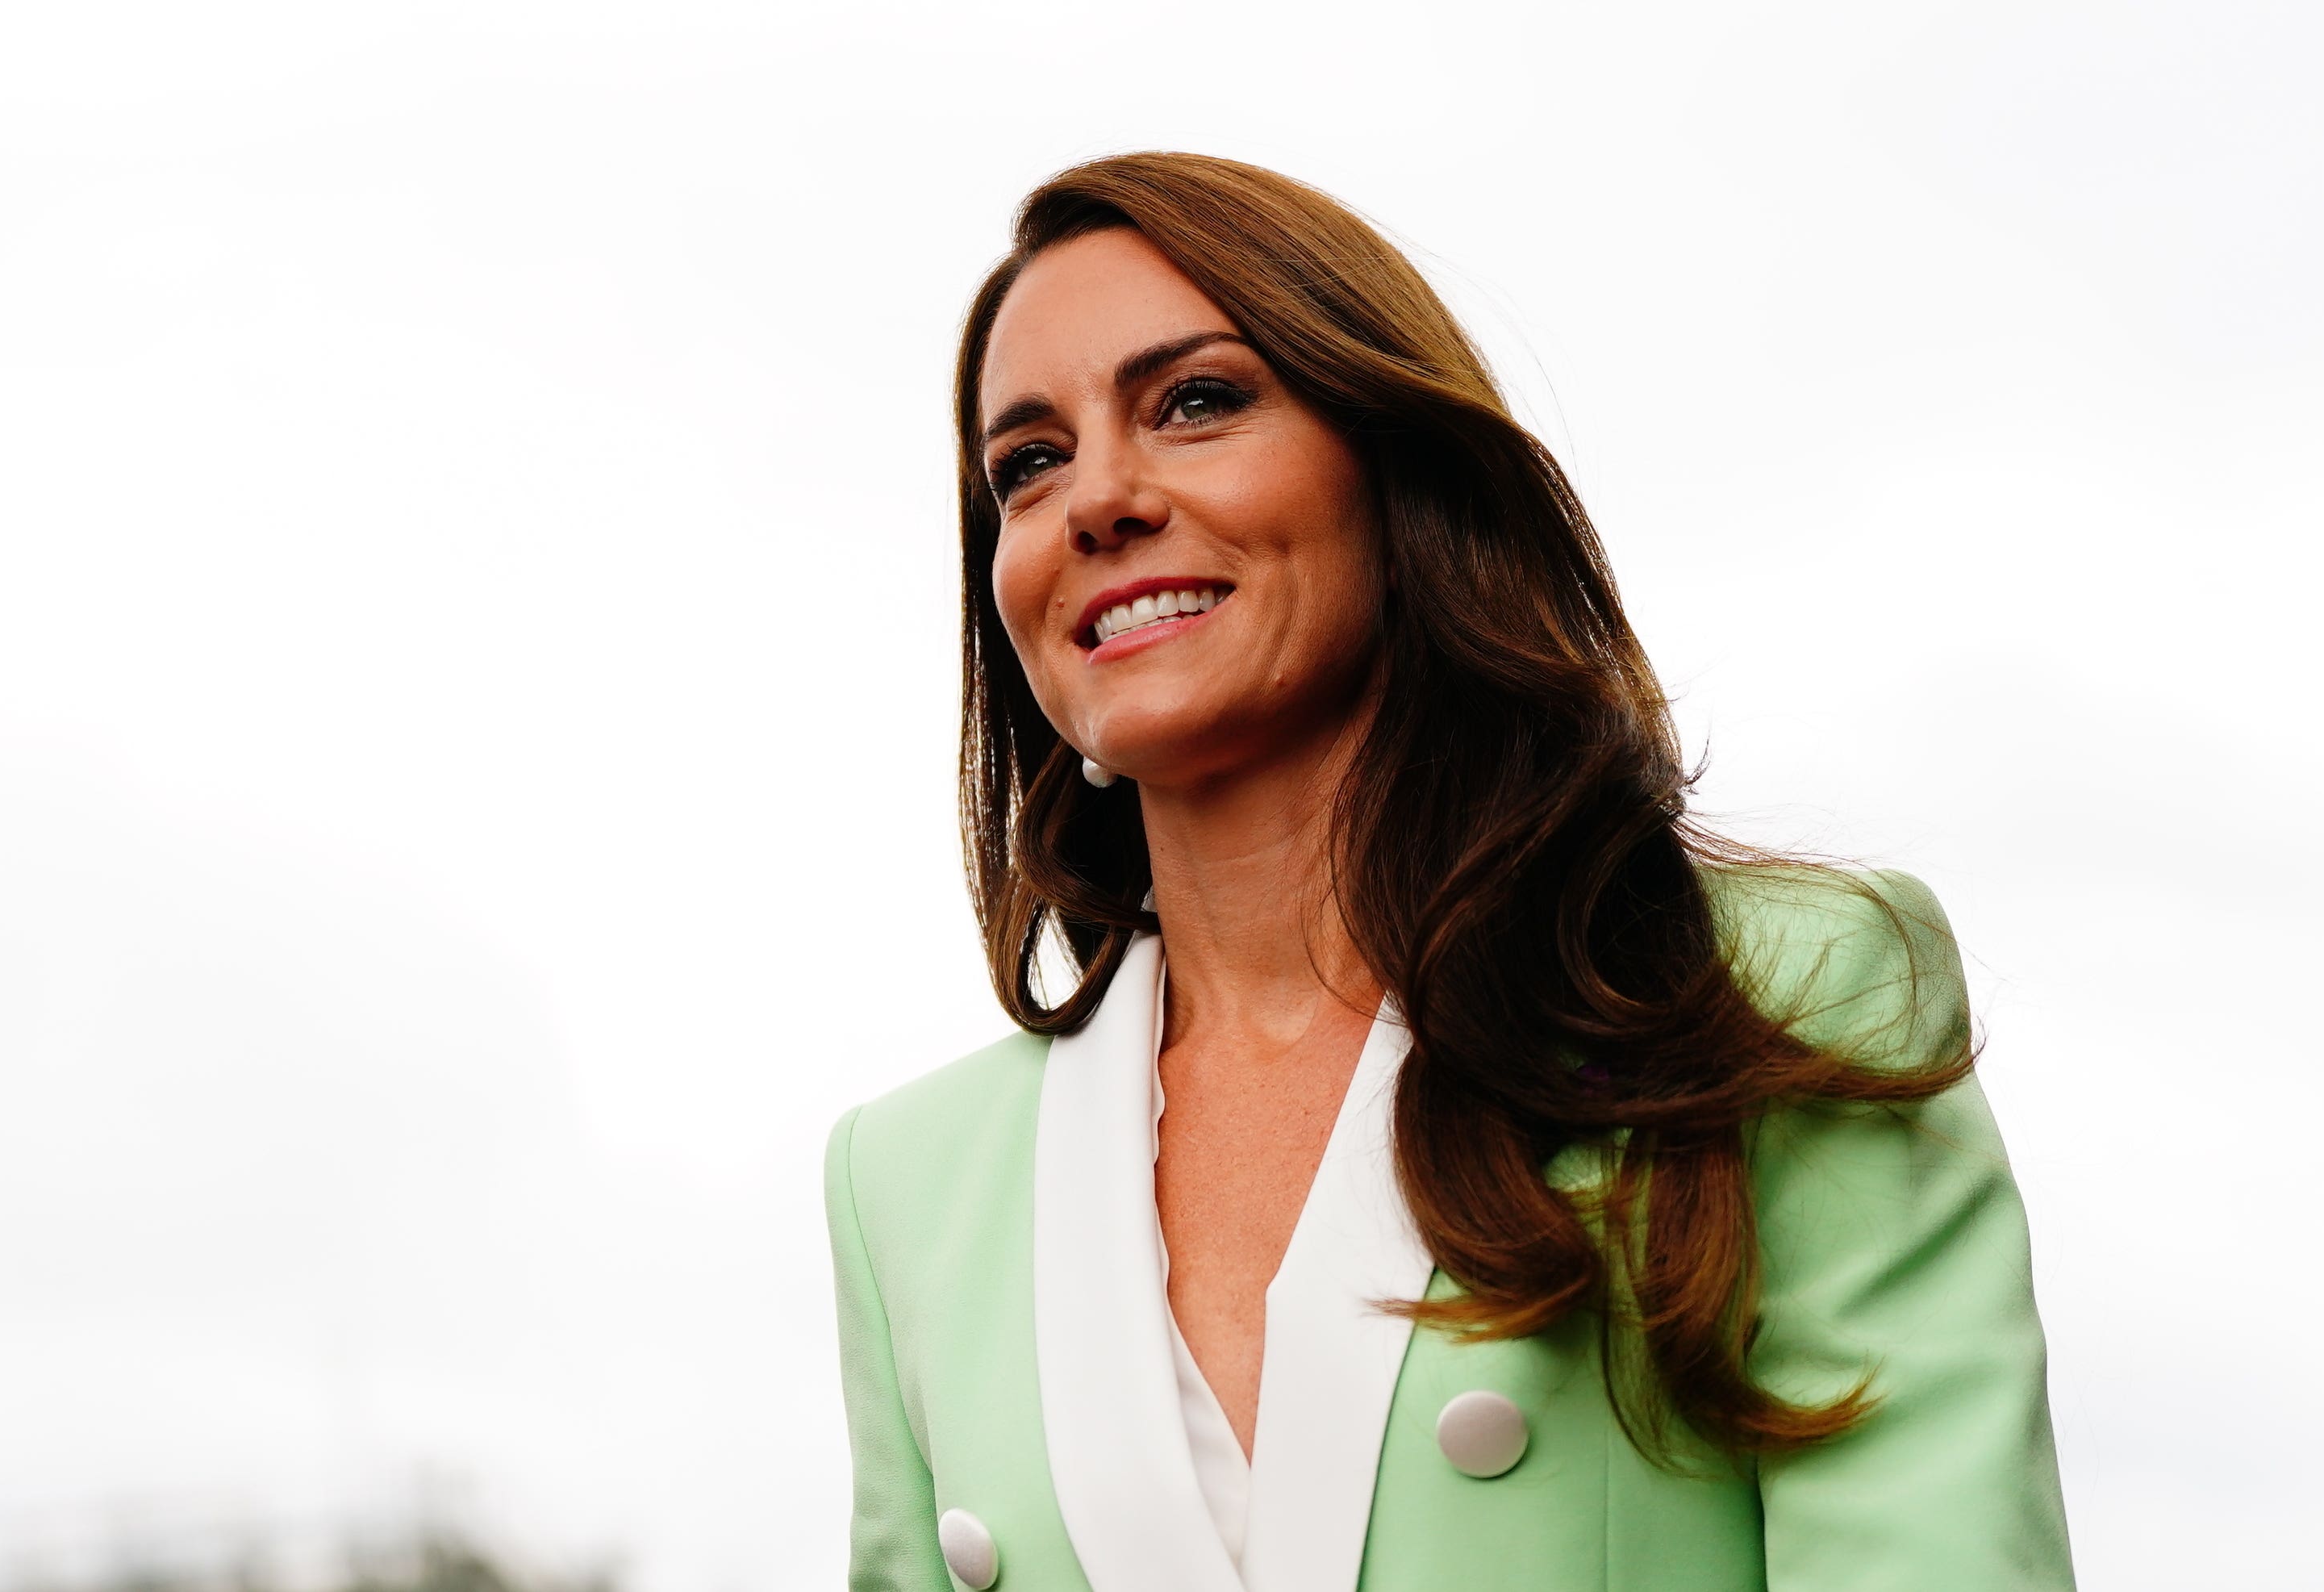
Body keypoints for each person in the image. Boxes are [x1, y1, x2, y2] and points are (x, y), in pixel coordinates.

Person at [822, 151, 2074, 1592]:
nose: (1097, 497)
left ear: (1394, 472)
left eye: (1199, 401)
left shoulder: (1774, 994)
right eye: (1026, 465)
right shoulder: (906, 1186)